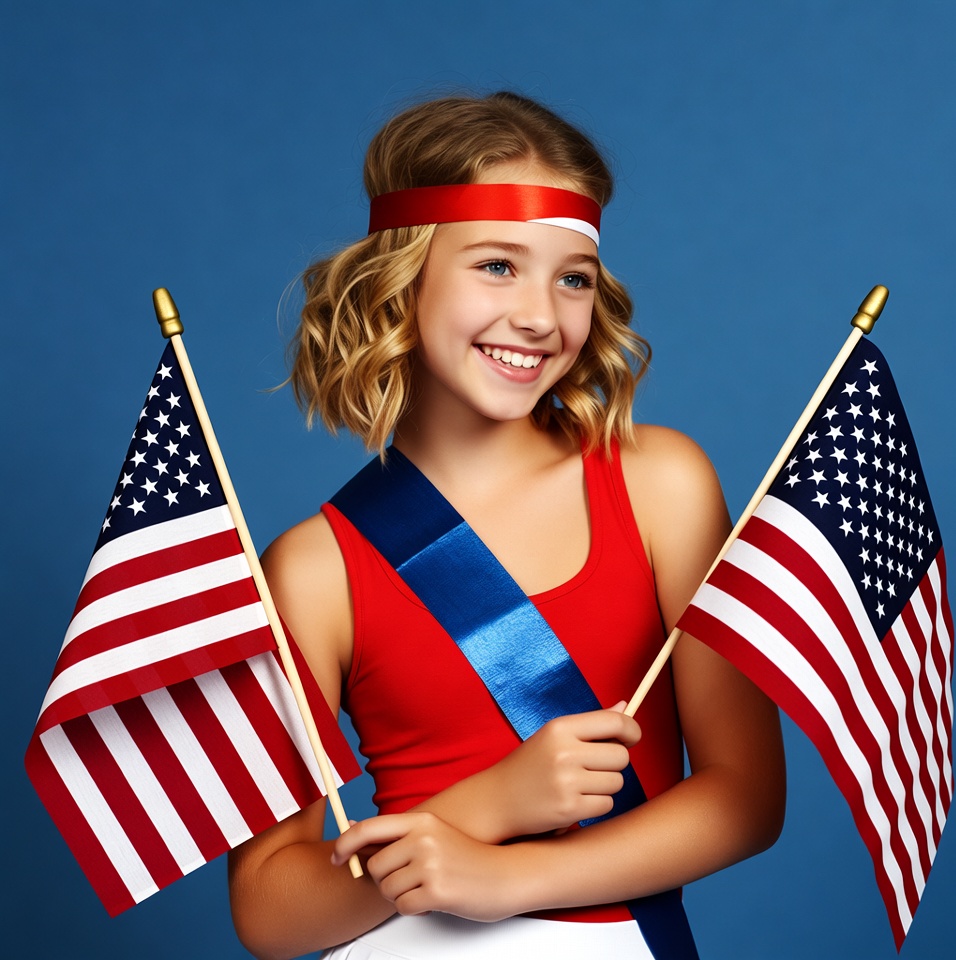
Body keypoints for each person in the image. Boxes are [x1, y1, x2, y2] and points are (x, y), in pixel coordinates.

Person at [228, 91, 786, 960]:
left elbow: (744, 799)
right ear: (399, 278)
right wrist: (490, 806)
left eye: (572, 278)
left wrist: (508, 879)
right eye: (497, 265)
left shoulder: (658, 484)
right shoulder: (317, 568)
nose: (539, 315)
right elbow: (268, 911)